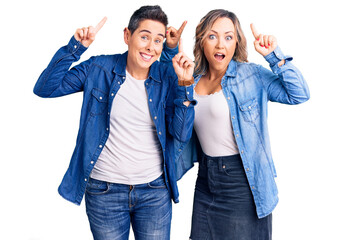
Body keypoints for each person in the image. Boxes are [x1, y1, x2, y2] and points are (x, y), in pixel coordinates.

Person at [33, 5, 195, 240]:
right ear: (127, 36)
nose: (151, 46)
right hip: (104, 191)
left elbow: (181, 132)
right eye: (144, 37)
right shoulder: (98, 68)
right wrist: (75, 48)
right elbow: (45, 89)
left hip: (154, 192)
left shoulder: (167, 76)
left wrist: (185, 85)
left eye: (158, 40)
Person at [162, 9, 310, 239]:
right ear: (201, 40)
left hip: (243, 182)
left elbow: (299, 94)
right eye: (212, 36)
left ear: (237, 42)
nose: (220, 44)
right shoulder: (192, 78)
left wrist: (273, 56)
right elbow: (178, 128)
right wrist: (174, 61)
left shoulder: (252, 76)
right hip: (205, 181)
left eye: (228, 37)